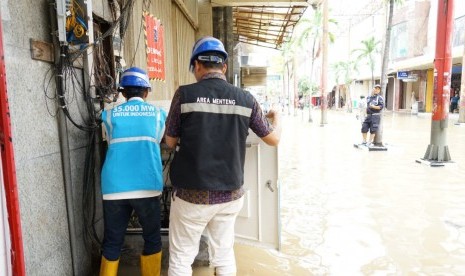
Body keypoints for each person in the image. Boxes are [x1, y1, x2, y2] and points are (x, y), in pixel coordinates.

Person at [164, 36, 282, 276]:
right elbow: (273, 139)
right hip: (229, 195)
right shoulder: (246, 99)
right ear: (224, 67)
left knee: (181, 258)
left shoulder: (184, 95)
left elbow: (170, 140)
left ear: (196, 65)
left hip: (190, 196)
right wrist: (277, 117)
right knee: (224, 255)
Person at [99, 67, 166, 276]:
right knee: (153, 238)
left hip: (114, 188)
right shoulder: (158, 114)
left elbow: (110, 139)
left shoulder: (109, 115)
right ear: (146, 92)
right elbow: (159, 139)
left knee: (112, 241)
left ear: (123, 92)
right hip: (147, 186)